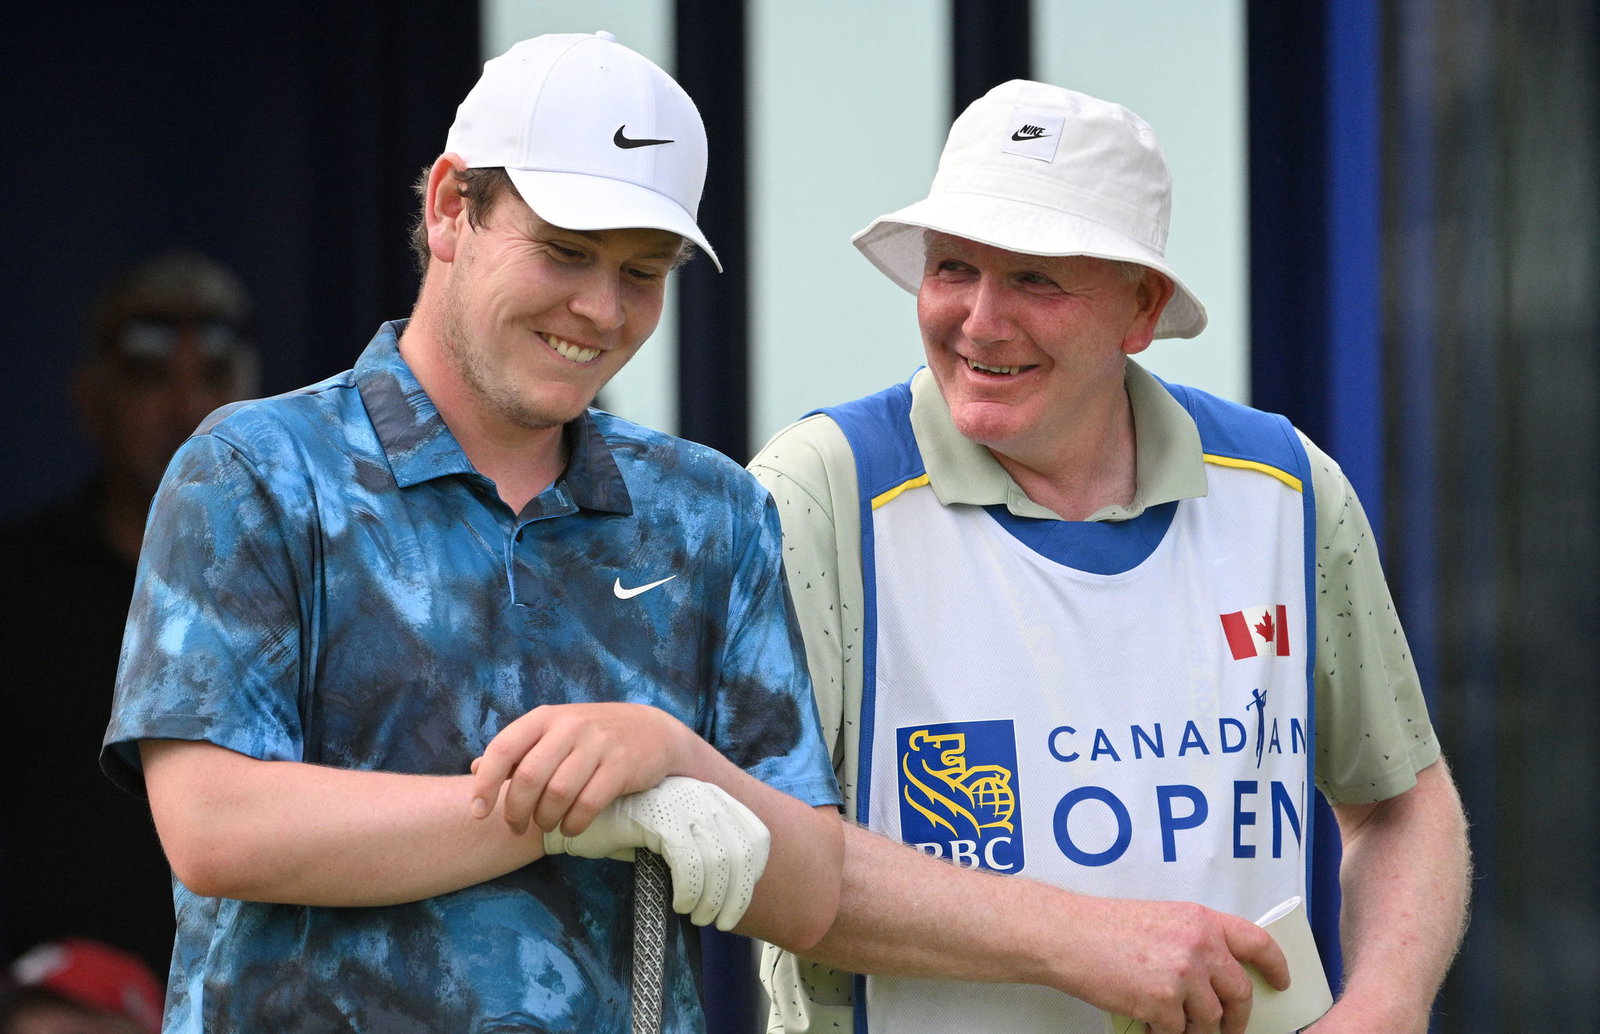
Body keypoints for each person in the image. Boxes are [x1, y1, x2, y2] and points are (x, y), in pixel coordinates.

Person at [100, 32, 842, 1033]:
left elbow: (807, 895)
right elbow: (217, 827)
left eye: (643, 269)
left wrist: (673, 758)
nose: (600, 308)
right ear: (452, 207)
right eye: (566, 251)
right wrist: (589, 811)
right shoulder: (255, 469)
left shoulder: (710, 510)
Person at [751, 80, 1470, 1034]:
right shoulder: (819, 492)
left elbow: (1399, 801)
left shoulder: (1285, 487)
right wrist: (1080, 940)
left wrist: (1386, 1001)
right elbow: (754, 849)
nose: (980, 320)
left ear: (1143, 308)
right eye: (954, 267)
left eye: (1036, 279)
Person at [0, 250, 259, 979]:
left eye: (212, 376)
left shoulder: (315, 583)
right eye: (150, 379)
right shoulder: (18, 586)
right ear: (91, 398)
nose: (185, 408)